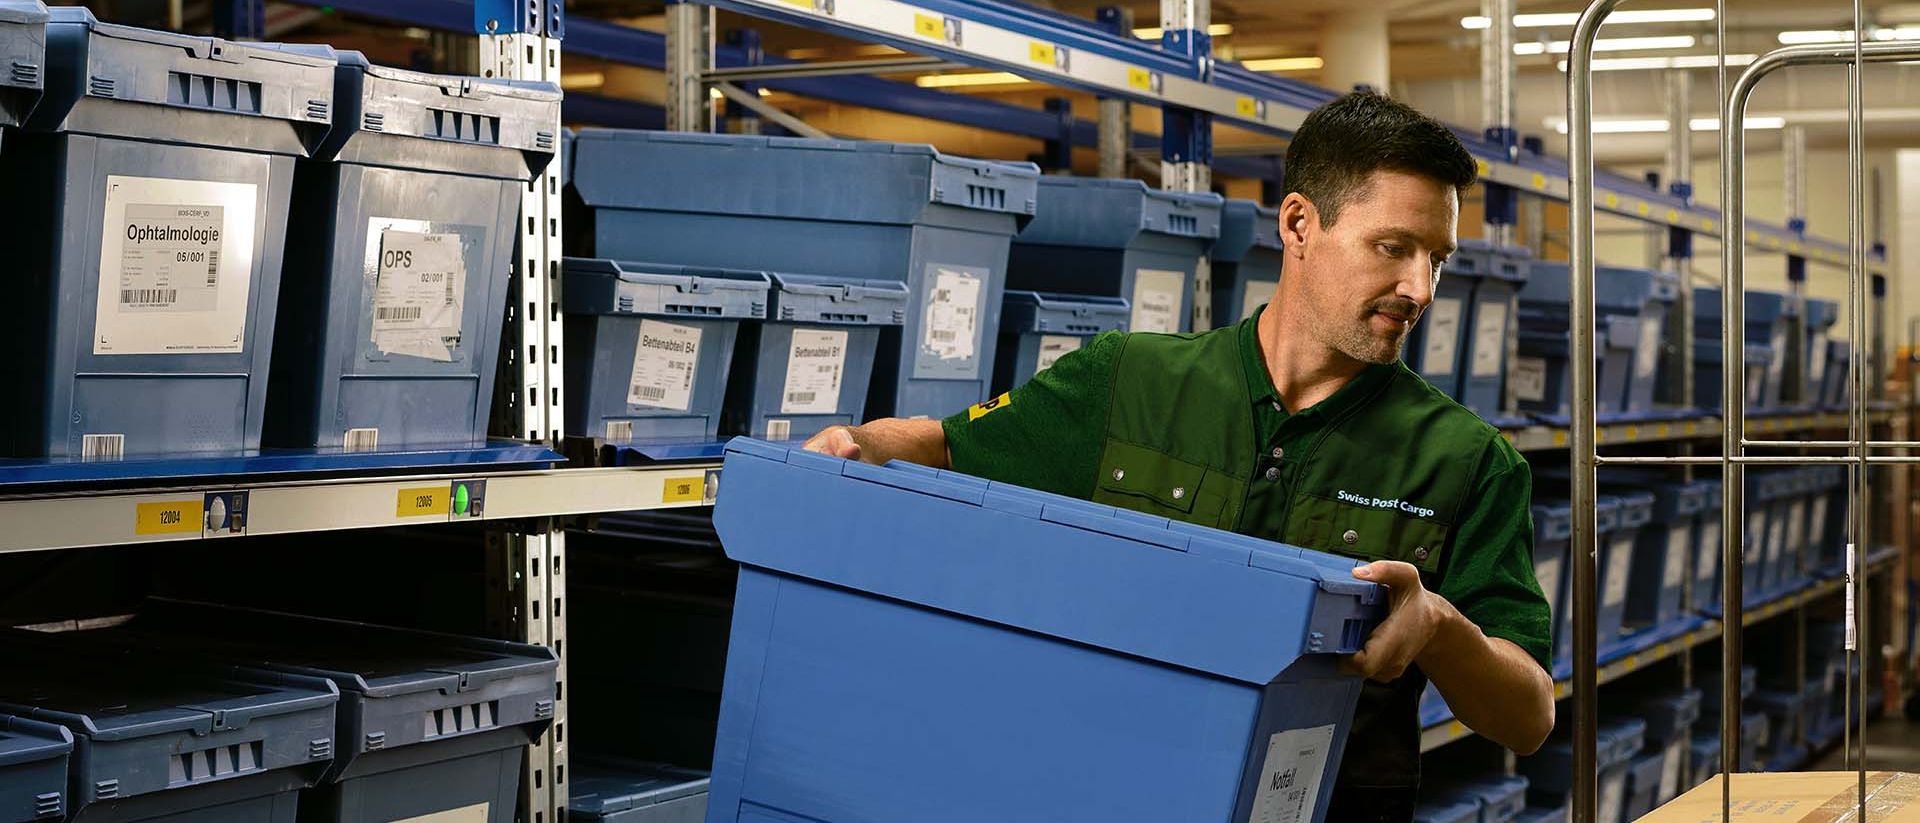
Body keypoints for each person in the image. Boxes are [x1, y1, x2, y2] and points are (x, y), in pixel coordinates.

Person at [804, 91, 1555, 821]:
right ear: (1299, 223)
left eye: (1438, 257)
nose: (1419, 287)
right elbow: (946, 447)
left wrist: (1442, 628)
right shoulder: (1126, 380)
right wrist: (859, 443)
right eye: (1392, 247)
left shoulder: (1469, 460)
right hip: (1107, 788)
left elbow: (1529, 717)